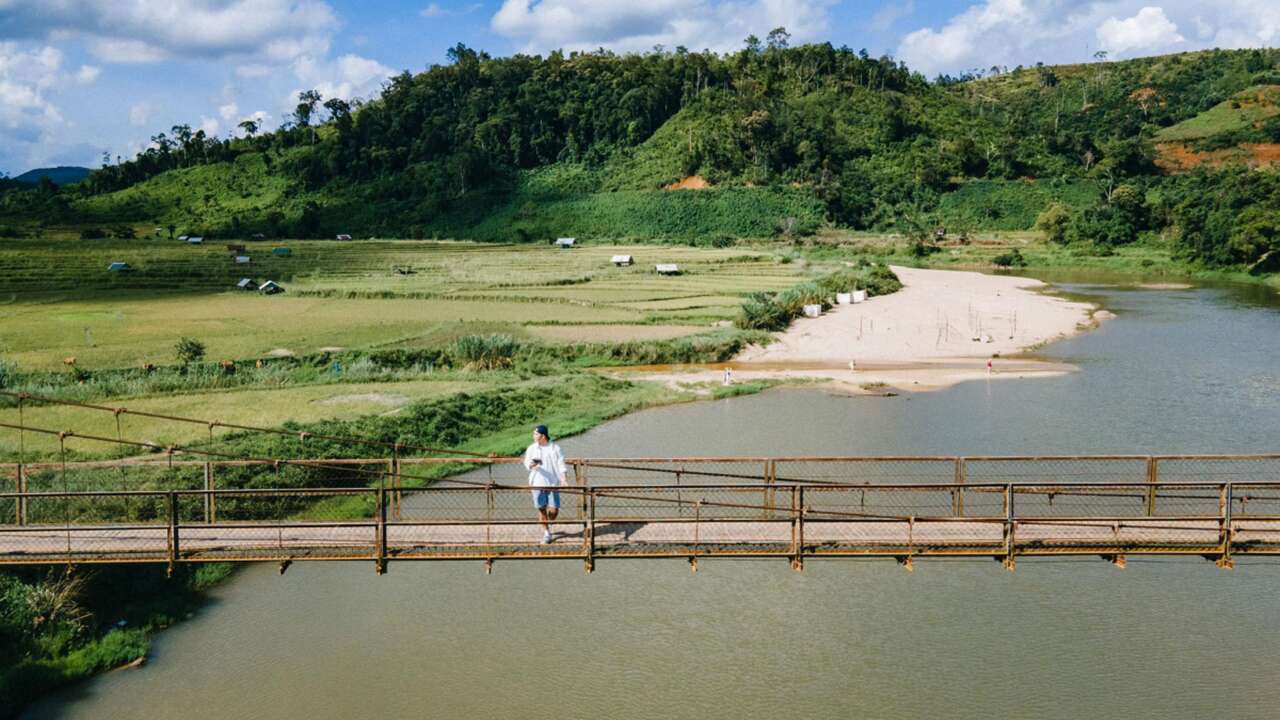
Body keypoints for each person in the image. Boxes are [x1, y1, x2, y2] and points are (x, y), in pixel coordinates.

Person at [524, 424, 568, 544]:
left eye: (536, 434)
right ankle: (547, 533)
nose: (533, 436)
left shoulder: (555, 448)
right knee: (541, 509)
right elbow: (527, 463)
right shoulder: (532, 448)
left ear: (543, 436)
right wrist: (532, 465)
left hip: (552, 483)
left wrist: (563, 479)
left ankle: (548, 522)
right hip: (537, 483)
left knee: (554, 510)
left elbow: (561, 464)